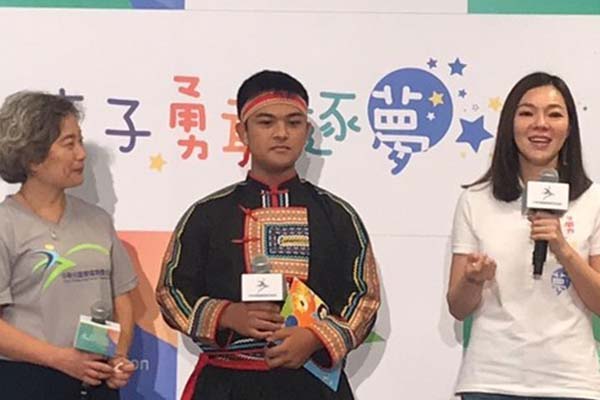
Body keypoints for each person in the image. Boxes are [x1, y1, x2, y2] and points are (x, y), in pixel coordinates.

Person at [156, 70, 381, 400]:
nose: (281, 133)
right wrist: (227, 314)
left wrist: (315, 338)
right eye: (266, 122)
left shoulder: (337, 215)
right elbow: (170, 292)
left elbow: (365, 297)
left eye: (294, 123)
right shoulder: (207, 215)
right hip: (225, 386)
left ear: (307, 132)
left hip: (314, 387)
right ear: (242, 132)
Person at [447, 72, 600, 400]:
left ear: (569, 128)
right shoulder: (476, 199)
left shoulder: (593, 201)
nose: (540, 124)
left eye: (554, 114)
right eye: (527, 113)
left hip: (571, 382)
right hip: (490, 380)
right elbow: (457, 308)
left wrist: (563, 249)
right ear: (510, 124)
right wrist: (473, 279)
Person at [0, 91, 139, 399]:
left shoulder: (98, 220)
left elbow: (122, 298)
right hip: (26, 382)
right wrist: (60, 359)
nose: (81, 154)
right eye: (69, 143)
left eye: (81, 141)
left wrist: (119, 356)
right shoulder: (5, 224)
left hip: (96, 381)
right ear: (33, 157)